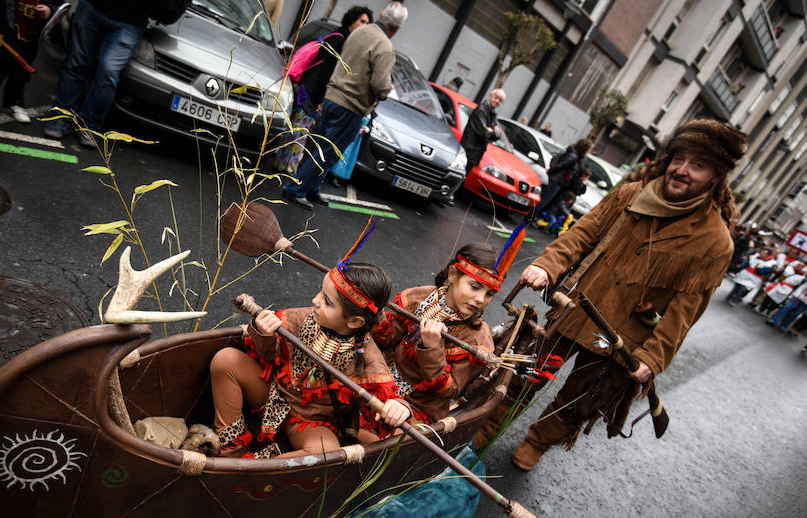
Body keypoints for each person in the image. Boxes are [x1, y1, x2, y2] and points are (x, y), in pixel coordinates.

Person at [488, 118, 746, 471]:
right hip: (574, 311)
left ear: (717, 177)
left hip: (624, 340)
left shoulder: (715, 243)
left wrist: (653, 359)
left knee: (579, 402)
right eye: (679, 159)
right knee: (525, 374)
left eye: (697, 165)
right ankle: (486, 428)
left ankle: (537, 442)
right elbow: (584, 233)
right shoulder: (632, 193)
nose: (682, 170)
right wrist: (549, 265)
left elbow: (684, 314)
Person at [209, 261, 410, 459]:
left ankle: (258, 472)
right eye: (320, 292)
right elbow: (267, 357)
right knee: (226, 360)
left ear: (355, 321)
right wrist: (263, 333)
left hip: (310, 423)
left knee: (327, 453)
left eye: (327, 302)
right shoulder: (300, 318)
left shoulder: (370, 362)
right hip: (273, 394)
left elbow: (388, 402)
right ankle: (231, 452)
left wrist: (399, 408)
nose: (315, 300)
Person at [282, 1, 406, 209]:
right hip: (351, 106)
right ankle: (296, 189)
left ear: (383, 14)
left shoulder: (359, 32)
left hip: (332, 97)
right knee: (329, 152)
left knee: (320, 147)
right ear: (399, 27)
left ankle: (312, 189)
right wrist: (386, 89)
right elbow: (380, 85)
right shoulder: (385, 47)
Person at [372, 243, 498, 424]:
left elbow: (450, 390)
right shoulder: (421, 298)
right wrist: (372, 311)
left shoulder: (477, 338)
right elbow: (386, 338)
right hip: (382, 379)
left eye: (489, 294)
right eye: (475, 286)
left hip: (418, 408)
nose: (480, 299)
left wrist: (431, 348)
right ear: (453, 274)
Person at [274, 6, 372, 176]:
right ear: (352, 20)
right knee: (301, 131)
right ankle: (289, 168)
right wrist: (321, 100)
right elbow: (325, 73)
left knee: (296, 127)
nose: (364, 25)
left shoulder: (337, 36)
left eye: (367, 23)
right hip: (312, 91)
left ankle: (281, 163)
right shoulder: (341, 41)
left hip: (308, 88)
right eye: (362, 21)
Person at [43, 0, 152, 147]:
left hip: (130, 21)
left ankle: (90, 126)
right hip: (93, 7)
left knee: (108, 73)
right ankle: (60, 118)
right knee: (75, 64)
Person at [0, 0, 58, 122]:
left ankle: (15, 102)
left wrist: (50, 8)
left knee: (21, 72)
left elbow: (57, 4)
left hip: (31, 31)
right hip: (7, 27)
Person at [534, 138, 593, 219]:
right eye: (589, 150)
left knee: (547, 200)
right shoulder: (573, 156)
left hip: (560, 181)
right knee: (545, 199)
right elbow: (560, 166)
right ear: (584, 149)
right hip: (557, 181)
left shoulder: (577, 157)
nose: (589, 152)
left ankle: (535, 216)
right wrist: (551, 171)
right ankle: (531, 216)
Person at [460, 88, 505, 173]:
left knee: (464, 177)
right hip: (467, 150)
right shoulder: (481, 110)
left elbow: (498, 135)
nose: (497, 101)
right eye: (496, 97)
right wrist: (492, 131)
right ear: (490, 96)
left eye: (500, 100)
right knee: (458, 176)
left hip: (476, 153)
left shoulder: (493, 114)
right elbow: (484, 132)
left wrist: (492, 131)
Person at [538, 167, 590, 234]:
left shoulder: (581, 183)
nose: (586, 179)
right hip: (568, 196)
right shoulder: (575, 181)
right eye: (586, 177)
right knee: (557, 214)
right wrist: (567, 213)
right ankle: (547, 227)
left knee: (562, 215)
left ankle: (553, 228)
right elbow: (577, 191)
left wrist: (584, 185)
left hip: (571, 198)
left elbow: (582, 192)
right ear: (583, 175)